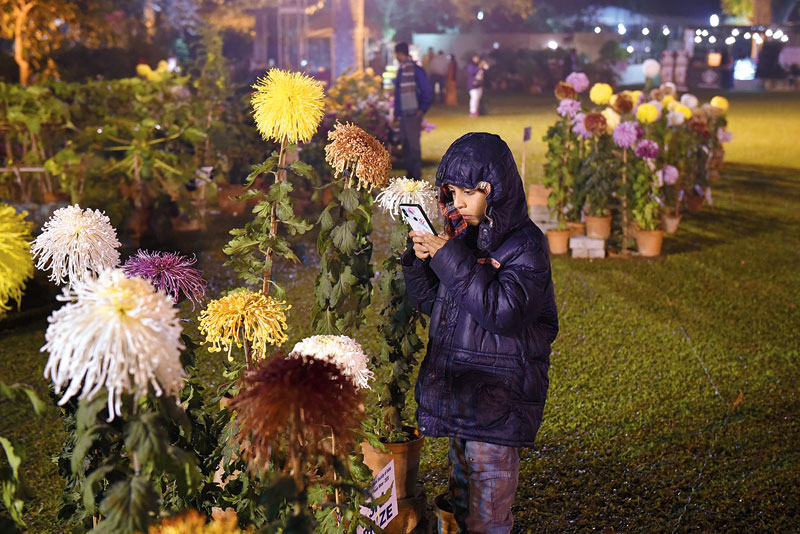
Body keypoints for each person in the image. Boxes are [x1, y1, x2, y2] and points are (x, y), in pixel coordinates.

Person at [402, 132, 558, 533]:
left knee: (488, 513)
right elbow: (433, 303)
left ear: (496, 191)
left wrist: (450, 258)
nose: (457, 203)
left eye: (468, 193)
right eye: (452, 192)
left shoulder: (527, 246)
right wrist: (421, 261)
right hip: (463, 397)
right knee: (462, 499)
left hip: (497, 404)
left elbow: (503, 312)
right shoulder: (463, 239)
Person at [394, 42, 432, 181]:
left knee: (413, 145)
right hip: (404, 114)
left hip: (413, 113)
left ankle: (416, 175)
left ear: (399, 54)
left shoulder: (416, 70)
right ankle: (410, 174)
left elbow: (426, 89)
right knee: (405, 144)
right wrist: (397, 114)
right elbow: (398, 94)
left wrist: (422, 108)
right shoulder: (402, 70)